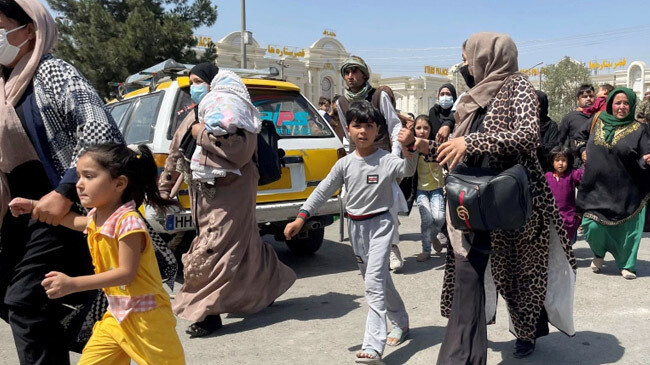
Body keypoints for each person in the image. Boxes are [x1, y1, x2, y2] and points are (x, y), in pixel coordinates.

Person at [404, 32, 577, 363]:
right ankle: (466, 347)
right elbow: (459, 151)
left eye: (468, 57)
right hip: (473, 200)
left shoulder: (517, 87)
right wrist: (426, 147)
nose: (465, 64)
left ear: (489, 56)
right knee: (471, 275)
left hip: (515, 202)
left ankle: (527, 333)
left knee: (521, 275)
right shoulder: (470, 99)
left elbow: (528, 136)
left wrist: (472, 144)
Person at [0, 1, 126, 363]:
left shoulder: (51, 72)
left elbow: (101, 129)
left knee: (24, 299)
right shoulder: (4, 84)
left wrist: (65, 190)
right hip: (17, 213)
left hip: (59, 210)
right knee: (20, 299)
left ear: (29, 30)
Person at [9, 143, 185, 364]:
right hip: (117, 316)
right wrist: (34, 205)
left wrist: (72, 284)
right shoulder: (98, 217)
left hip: (147, 318)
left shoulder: (128, 222)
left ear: (120, 183)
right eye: (79, 176)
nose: (80, 185)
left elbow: (125, 273)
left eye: (89, 177)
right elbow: (72, 221)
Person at [158, 63, 296, 337]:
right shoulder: (194, 115)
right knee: (244, 245)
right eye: (191, 82)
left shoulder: (233, 114)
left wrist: (201, 134)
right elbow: (176, 151)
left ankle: (207, 313)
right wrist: (163, 187)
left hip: (233, 192)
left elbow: (239, 151)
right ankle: (270, 285)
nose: (194, 87)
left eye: (198, 81)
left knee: (214, 248)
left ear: (213, 82)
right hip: (204, 195)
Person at [284, 100, 416, 363]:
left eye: (369, 126)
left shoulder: (387, 160)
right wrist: (301, 217)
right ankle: (400, 321)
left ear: (378, 129)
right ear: (348, 129)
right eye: (357, 126)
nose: (363, 131)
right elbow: (323, 190)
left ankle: (373, 345)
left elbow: (407, 170)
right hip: (356, 228)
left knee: (373, 285)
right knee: (378, 280)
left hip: (380, 225)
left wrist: (409, 147)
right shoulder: (344, 164)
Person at [335, 55, 408, 271]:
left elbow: (394, 125)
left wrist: (394, 156)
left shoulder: (378, 95)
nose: (350, 76)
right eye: (347, 73)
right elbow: (347, 133)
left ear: (364, 74)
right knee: (357, 204)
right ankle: (370, 251)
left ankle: (392, 247)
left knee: (389, 204)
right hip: (357, 160)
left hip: (383, 157)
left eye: (355, 71)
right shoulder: (341, 102)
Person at [575, 87, 650, 280]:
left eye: (626, 103)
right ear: (611, 104)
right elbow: (578, 138)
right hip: (595, 187)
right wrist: (582, 149)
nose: (622, 107)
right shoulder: (597, 120)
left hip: (626, 190)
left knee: (627, 230)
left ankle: (627, 265)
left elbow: (644, 157)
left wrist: (647, 160)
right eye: (618, 102)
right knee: (591, 226)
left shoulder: (639, 129)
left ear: (632, 105)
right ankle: (599, 254)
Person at [409, 115, 445, 261]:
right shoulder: (413, 149)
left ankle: (432, 237)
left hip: (437, 189)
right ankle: (426, 250)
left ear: (431, 130)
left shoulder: (436, 146)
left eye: (426, 128)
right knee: (427, 219)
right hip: (421, 190)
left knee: (439, 218)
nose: (422, 131)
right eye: (418, 128)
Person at [545, 146, 584, 243]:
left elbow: (585, 175)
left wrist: (586, 160)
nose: (560, 163)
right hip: (551, 218)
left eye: (563, 160)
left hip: (569, 218)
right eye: (557, 160)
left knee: (568, 244)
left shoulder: (572, 174)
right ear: (552, 162)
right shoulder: (547, 176)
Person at [558, 84, 595, 167]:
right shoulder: (570, 118)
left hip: (596, 163)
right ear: (578, 99)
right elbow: (560, 141)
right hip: (576, 165)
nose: (588, 99)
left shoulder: (598, 117)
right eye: (585, 96)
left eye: (591, 96)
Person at [535, 90, 560, 171]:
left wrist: (537, 146)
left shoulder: (552, 125)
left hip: (546, 168)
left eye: (537, 102)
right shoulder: (525, 124)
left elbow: (553, 146)